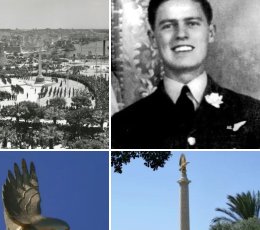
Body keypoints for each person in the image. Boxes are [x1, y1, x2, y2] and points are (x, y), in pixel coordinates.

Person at [111, 0, 260, 149]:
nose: (181, 34)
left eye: (192, 23)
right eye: (168, 26)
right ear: (153, 39)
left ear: (211, 33)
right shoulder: (121, 126)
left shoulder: (254, 115)